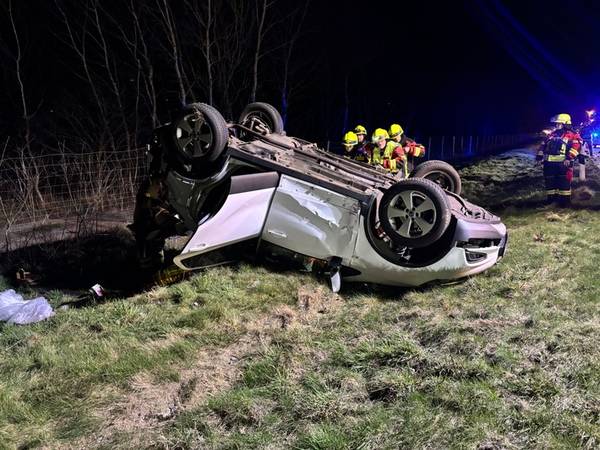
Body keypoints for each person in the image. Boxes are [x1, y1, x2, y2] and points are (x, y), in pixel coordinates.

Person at [536, 113, 582, 207]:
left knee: (564, 183)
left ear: (565, 124)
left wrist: (569, 158)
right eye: (556, 123)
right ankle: (551, 200)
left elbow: (576, 147)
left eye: (559, 123)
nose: (557, 125)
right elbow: (543, 145)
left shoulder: (573, 135)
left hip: (563, 164)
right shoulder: (552, 134)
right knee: (550, 182)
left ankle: (564, 202)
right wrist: (539, 155)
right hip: (549, 164)